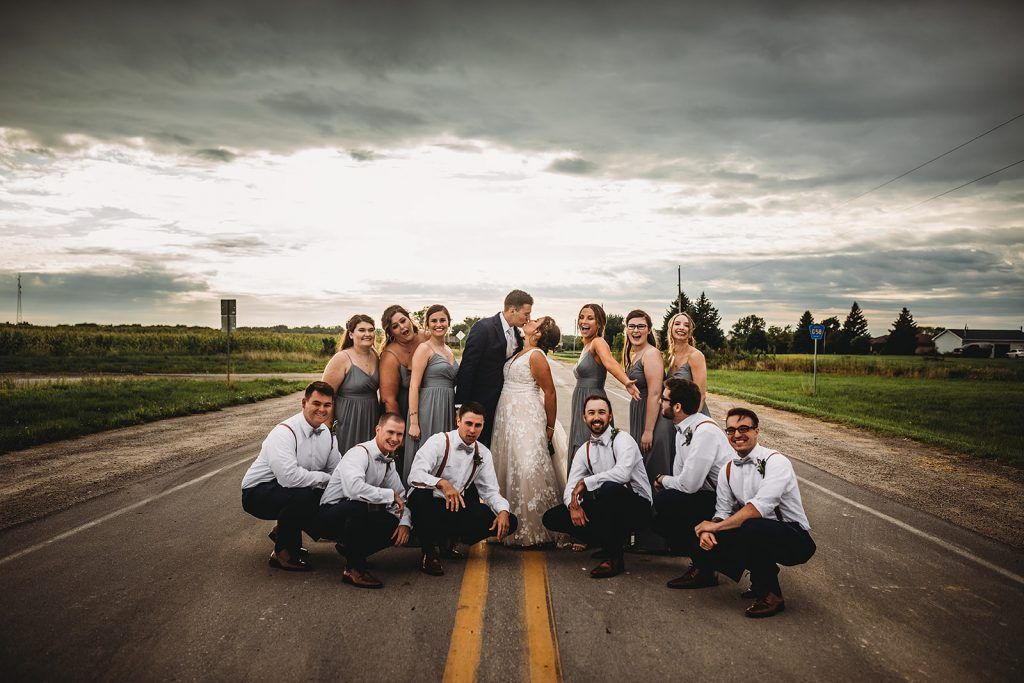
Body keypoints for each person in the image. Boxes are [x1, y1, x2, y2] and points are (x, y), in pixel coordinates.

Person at [671, 408, 816, 619]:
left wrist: (715, 526)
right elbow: (722, 510)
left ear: (757, 431)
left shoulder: (776, 462)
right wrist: (710, 530)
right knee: (722, 531)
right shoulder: (728, 469)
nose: (737, 435)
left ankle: (772, 595)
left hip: (794, 538)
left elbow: (758, 508)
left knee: (750, 525)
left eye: (744, 428)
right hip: (757, 531)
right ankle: (752, 576)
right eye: (730, 430)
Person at [543, 395, 652, 578]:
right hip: (607, 507)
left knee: (610, 490)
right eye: (591, 413)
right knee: (553, 517)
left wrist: (587, 482)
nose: (596, 417)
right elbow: (572, 486)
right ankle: (606, 542)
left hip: (637, 507)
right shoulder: (585, 449)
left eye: (602, 412)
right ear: (584, 418)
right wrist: (573, 506)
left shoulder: (623, 439)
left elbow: (623, 474)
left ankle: (614, 559)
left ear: (610, 417)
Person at [406, 402, 517, 576]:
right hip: (429, 502)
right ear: (458, 420)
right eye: (468, 423)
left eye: (478, 425)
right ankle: (429, 552)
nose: (472, 430)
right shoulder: (439, 441)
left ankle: (449, 539)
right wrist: (442, 483)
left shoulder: (483, 453)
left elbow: (490, 491)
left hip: (454, 506)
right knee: (420, 497)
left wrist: (503, 511)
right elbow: (414, 475)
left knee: (510, 521)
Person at [240, 381, 342, 571]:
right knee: (303, 495)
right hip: (258, 492)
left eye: (327, 405)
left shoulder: (327, 434)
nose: (322, 409)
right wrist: (324, 479)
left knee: (320, 496)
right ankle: (282, 552)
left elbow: (335, 471)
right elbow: (289, 478)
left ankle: (283, 531)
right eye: (316, 404)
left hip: (289, 490)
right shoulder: (284, 433)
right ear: (304, 403)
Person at [315, 413, 412, 589]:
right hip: (330, 515)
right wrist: (389, 495)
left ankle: (353, 551)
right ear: (378, 430)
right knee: (358, 506)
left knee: (392, 522)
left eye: (399, 434)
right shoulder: (358, 453)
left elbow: (400, 497)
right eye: (390, 432)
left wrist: (404, 523)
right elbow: (354, 490)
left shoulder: (388, 462)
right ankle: (354, 569)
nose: (395, 438)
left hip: (355, 517)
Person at [490, 316, 563, 547]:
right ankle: (506, 524)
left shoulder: (536, 356)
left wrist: (549, 427)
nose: (530, 319)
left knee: (527, 467)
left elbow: (550, 392)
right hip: (507, 417)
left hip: (527, 416)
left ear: (539, 333)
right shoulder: (521, 351)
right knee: (507, 465)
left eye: (536, 320)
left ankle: (533, 528)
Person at [651, 377, 732, 556]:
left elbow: (689, 485)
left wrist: (662, 480)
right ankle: (697, 557)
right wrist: (671, 482)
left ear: (677, 407)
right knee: (658, 516)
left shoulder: (704, 432)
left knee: (666, 500)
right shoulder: (683, 428)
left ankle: (705, 565)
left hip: (725, 504)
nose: (659, 401)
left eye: (664, 399)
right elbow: (681, 477)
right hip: (706, 495)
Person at [622, 309, 675, 551]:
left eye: (641, 326)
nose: (635, 330)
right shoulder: (633, 353)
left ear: (649, 329)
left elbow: (655, 394)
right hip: (640, 418)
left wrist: (648, 431)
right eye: (631, 326)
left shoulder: (652, 354)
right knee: (640, 475)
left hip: (653, 423)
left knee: (652, 474)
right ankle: (643, 536)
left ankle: (657, 540)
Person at [455, 289, 533, 446]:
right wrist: (460, 405)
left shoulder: (516, 333)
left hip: (503, 401)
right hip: (480, 400)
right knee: (475, 444)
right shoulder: (483, 328)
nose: (528, 318)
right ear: (512, 310)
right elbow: (467, 368)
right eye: (526, 314)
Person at [569, 303, 640, 459]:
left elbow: (609, 362)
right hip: (580, 400)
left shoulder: (598, 342)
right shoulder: (586, 345)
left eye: (590, 318)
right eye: (581, 317)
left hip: (593, 400)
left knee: (592, 449)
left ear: (599, 324)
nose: (583, 321)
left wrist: (626, 381)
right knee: (581, 445)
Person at [405, 304, 459, 483]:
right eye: (433, 321)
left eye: (442, 320)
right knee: (427, 454)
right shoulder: (424, 349)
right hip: (429, 408)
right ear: (427, 325)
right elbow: (413, 386)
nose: (438, 324)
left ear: (449, 323)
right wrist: (414, 421)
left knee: (444, 454)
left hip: (447, 407)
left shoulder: (450, 350)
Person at [378, 305, 427, 480]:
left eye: (403, 321)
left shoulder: (426, 337)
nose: (403, 327)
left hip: (431, 404)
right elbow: (388, 399)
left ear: (410, 319)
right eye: (395, 326)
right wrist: (398, 432)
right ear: (391, 332)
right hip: (405, 410)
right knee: (409, 458)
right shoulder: (391, 355)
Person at [322, 314, 381, 454]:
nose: (367, 334)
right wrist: (327, 428)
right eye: (362, 330)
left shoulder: (376, 355)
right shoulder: (342, 358)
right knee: (347, 457)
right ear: (350, 334)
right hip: (348, 419)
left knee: (369, 458)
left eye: (371, 330)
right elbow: (326, 396)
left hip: (372, 416)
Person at [665, 312, 711, 416]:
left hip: (693, 414)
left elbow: (702, 395)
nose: (681, 327)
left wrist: (690, 423)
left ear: (690, 332)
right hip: (677, 415)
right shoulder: (671, 356)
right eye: (677, 324)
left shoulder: (695, 356)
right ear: (670, 328)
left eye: (686, 325)